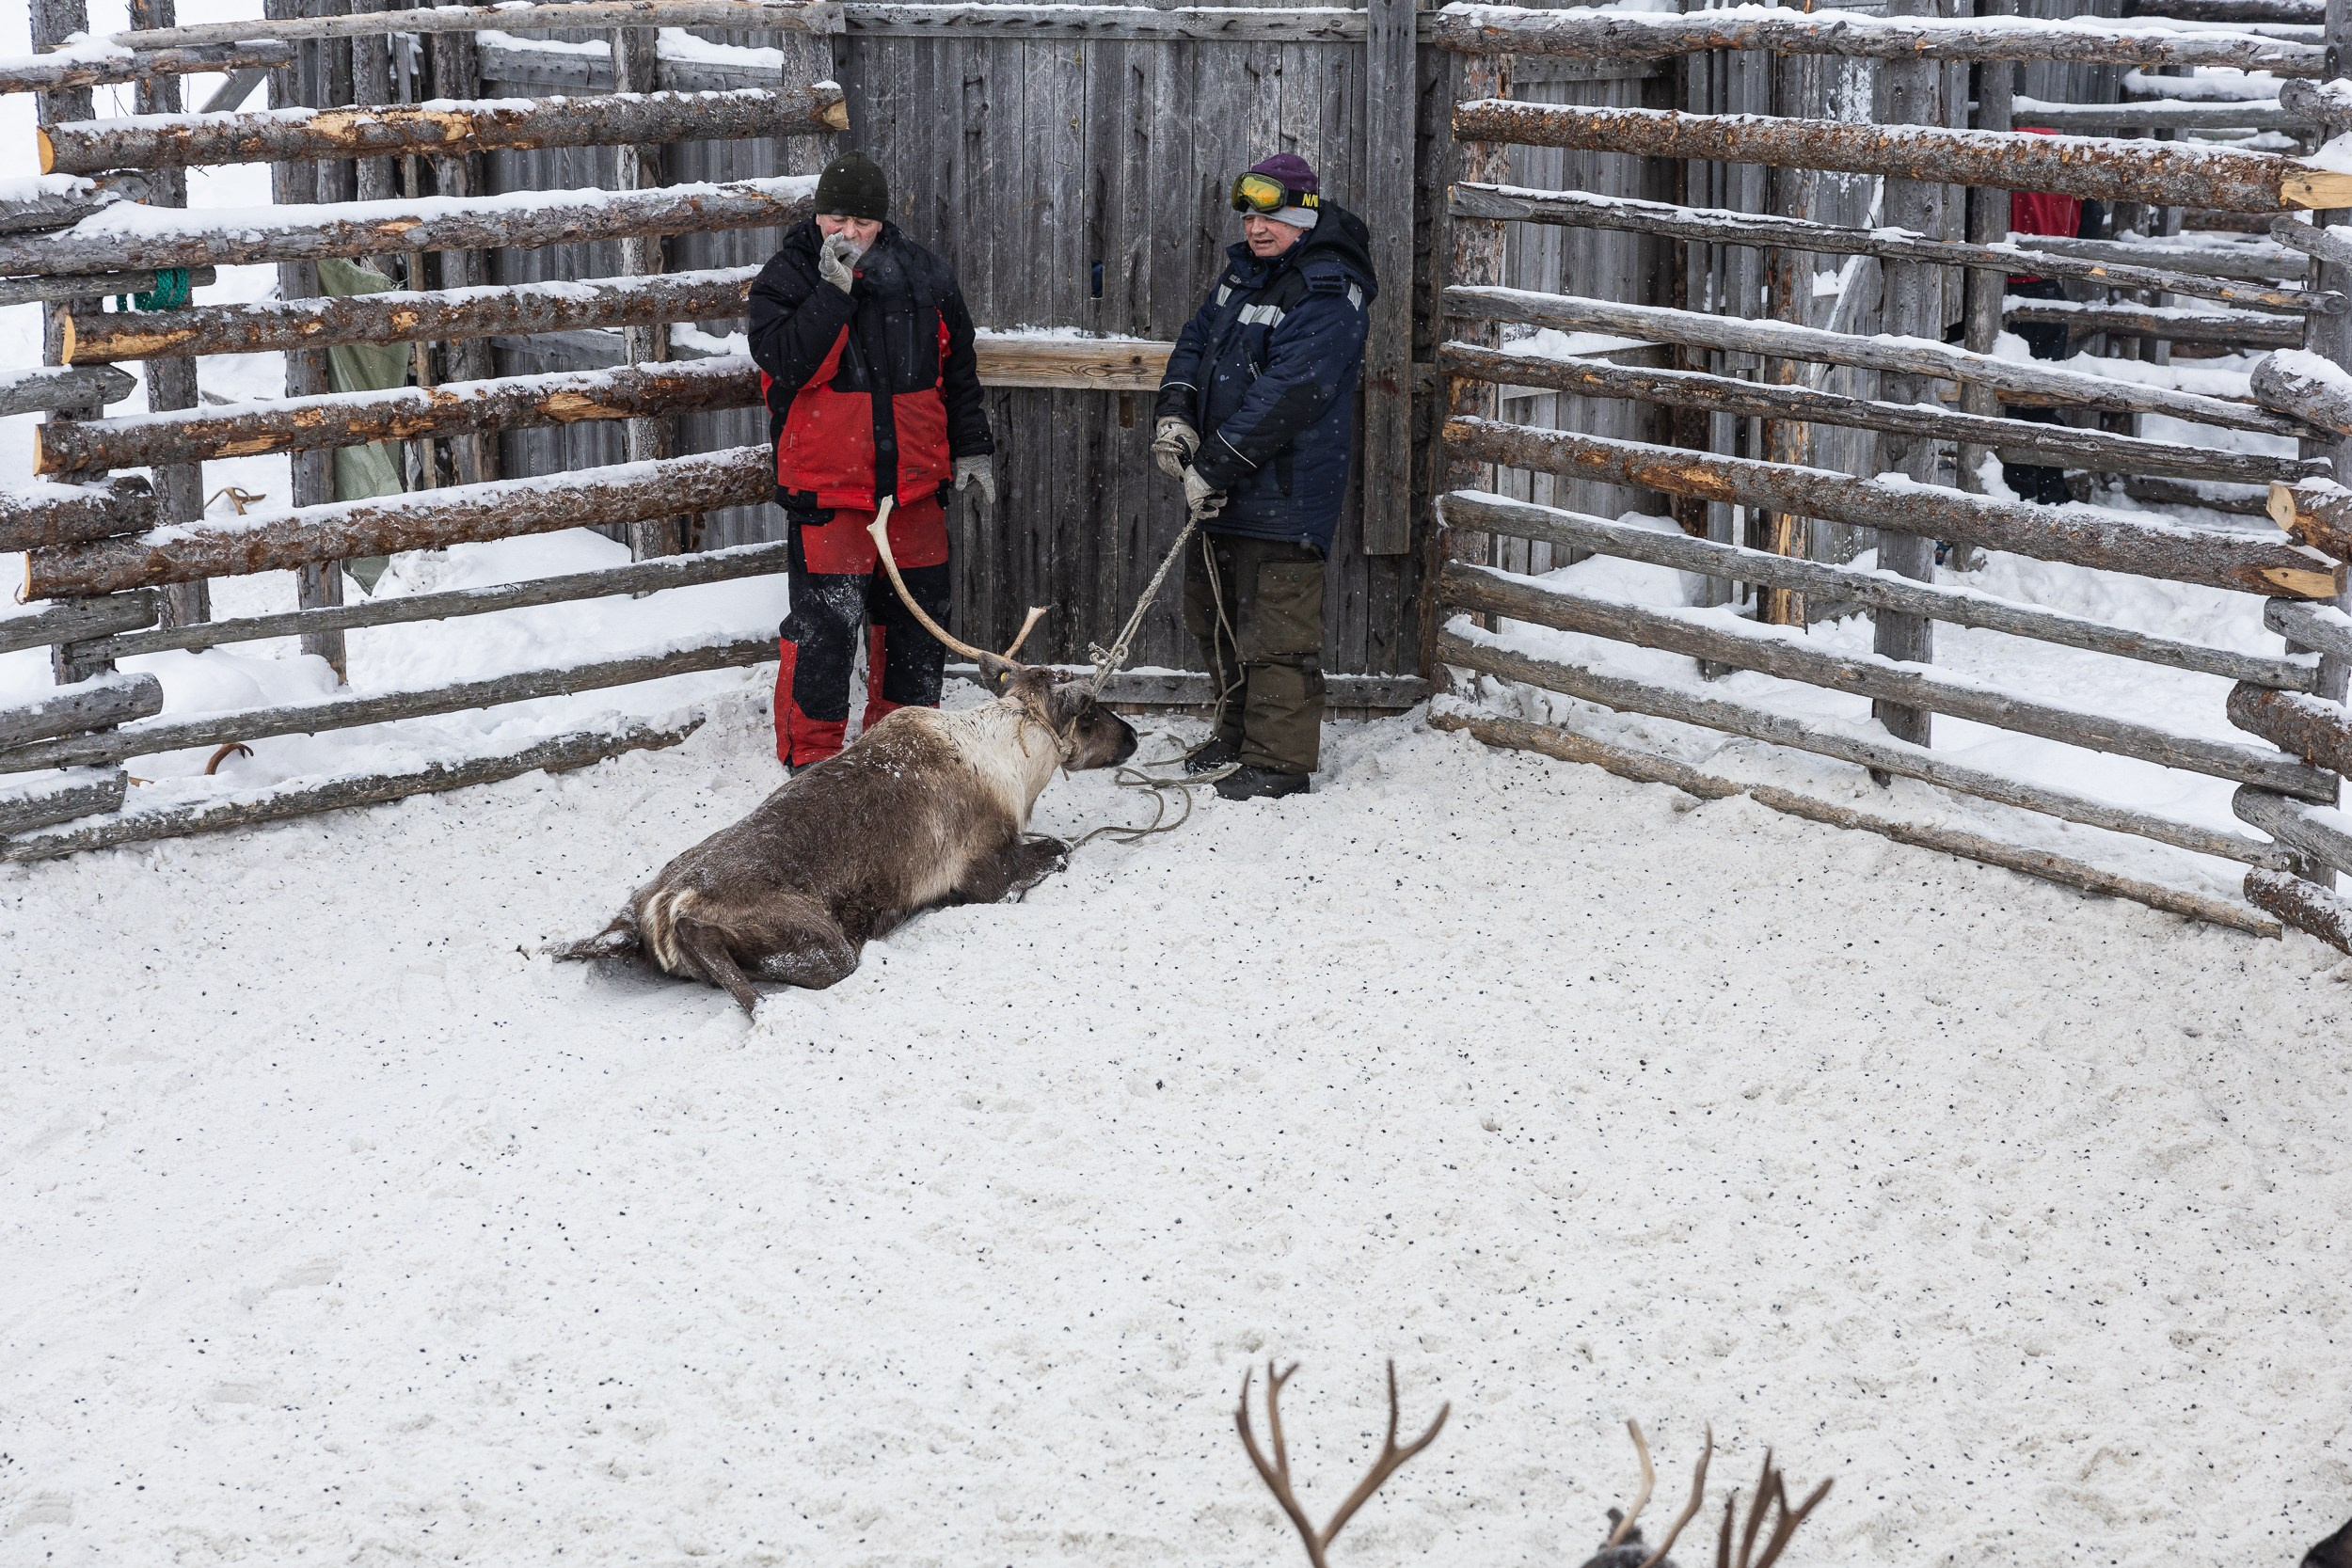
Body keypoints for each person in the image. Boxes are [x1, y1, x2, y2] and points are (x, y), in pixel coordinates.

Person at [748, 149, 995, 772]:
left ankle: (902, 757)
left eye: (861, 222)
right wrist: (833, 291)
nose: (849, 233)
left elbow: (958, 373)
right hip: (828, 495)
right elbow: (790, 363)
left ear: (881, 222)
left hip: (913, 492)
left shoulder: (926, 277)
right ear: (818, 216)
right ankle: (813, 766)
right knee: (825, 634)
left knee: (914, 631)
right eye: (836, 219)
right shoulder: (786, 278)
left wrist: (971, 448)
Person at [1152, 153, 1377, 801]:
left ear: (1304, 215)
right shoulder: (1242, 276)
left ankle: (1278, 761)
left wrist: (1214, 464)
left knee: (1275, 633)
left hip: (1285, 491)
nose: (1257, 228)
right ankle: (1237, 734)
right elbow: (1196, 341)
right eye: (1250, 215)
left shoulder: (1329, 287)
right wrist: (1177, 416)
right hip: (1226, 490)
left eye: (1271, 217)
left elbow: (1291, 390)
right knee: (1216, 615)